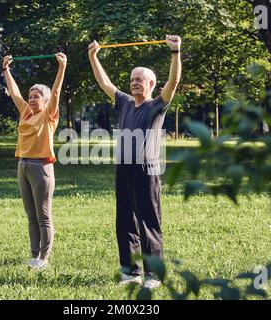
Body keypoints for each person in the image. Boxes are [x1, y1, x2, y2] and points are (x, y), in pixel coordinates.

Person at [88, 35, 182, 288]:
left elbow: (173, 83)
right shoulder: (126, 103)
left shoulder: (156, 106)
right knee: (125, 221)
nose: (134, 83)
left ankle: (153, 275)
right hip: (124, 169)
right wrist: (93, 57)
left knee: (149, 222)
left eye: (139, 79)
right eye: (132, 80)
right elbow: (105, 83)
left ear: (151, 83)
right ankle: (131, 272)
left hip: (147, 170)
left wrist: (175, 53)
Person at [2, 52, 67, 271]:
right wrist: (6, 70)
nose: (31, 99)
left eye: (36, 96)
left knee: (43, 215)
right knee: (31, 216)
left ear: (45, 100)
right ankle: (33, 255)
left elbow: (56, 91)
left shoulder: (49, 114)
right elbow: (13, 92)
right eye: (31, 95)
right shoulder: (25, 112)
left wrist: (62, 66)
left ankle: (44, 257)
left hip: (41, 167)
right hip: (23, 165)